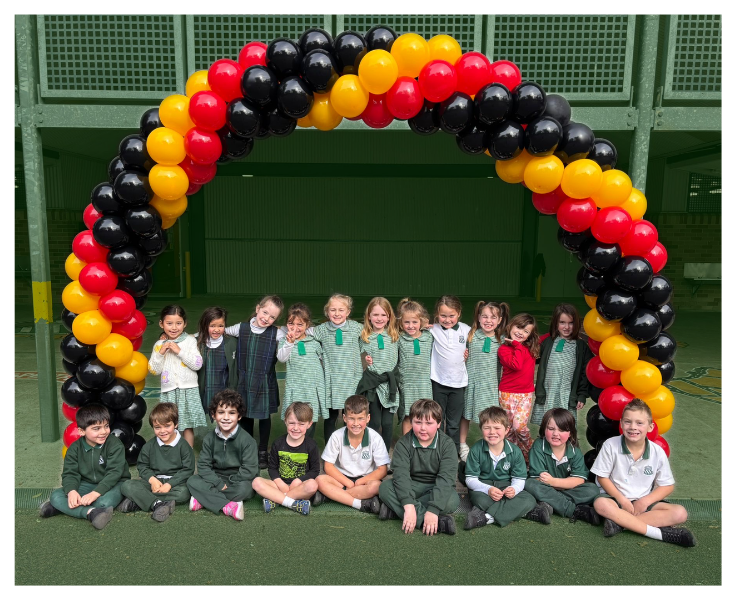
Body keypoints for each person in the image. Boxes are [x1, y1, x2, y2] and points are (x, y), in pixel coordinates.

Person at [591, 399, 696, 547]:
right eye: (628, 422)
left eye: (639, 423)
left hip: (642, 503)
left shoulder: (657, 451)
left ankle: (620, 524)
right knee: (601, 504)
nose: (633, 427)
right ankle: (660, 534)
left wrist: (644, 502)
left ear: (650, 426)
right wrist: (622, 500)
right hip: (615, 499)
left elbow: (667, 486)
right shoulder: (611, 445)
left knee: (680, 513)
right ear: (621, 423)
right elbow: (602, 477)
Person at [39, 403, 130, 530]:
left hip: (114, 483)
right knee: (56, 496)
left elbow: (114, 473)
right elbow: (70, 473)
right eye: (96, 428)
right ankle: (91, 513)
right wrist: (71, 491)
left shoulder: (115, 444)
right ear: (81, 431)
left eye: (106, 426)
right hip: (86, 484)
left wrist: (95, 493)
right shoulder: (74, 448)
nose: (104, 431)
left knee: (103, 502)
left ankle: (62, 508)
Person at [378, 399, 459, 536]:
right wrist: (409, 506)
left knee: (452, 500)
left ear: (439, 423)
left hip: (434, 486)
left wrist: (433, 509)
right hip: (411, 485)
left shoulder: (447, 444)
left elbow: (446, 479)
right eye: (418, 422)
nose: (423, 428)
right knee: (385, 488)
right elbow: (401, 476)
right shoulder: (403, 444)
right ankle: (433, 522)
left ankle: (394, 511)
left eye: (429, 423)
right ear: (411, 422)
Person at [225, 295, 285, 469]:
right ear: (258, 308)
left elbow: (297, 333)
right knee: (246, 416)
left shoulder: (277, 333)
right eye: (265, 312)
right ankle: (248, 450)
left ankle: (262, 451)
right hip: (245, 380)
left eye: (272, 317)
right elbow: (219, 331)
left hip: (265, 381)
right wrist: (190, 337)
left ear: (276, 320)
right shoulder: (241, 328)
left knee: (264, 417)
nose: (266, 318)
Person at [186, 389, 258, 521]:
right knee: (192, 481)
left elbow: (250, 469)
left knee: (246, 489)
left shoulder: (248, 441)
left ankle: (204, 499)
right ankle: (229, 506)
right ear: (213, 415)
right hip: (216, 478)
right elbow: (203, 466)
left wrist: (229, 483)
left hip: (238, 481)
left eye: (231, 413)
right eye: (221, 412)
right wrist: (218, 483)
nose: (226, 417)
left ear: (239, 416)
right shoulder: (209, 438)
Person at [462, 406, 537, 530]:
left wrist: (514, 489)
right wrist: (488, 489)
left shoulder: (515, 451)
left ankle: (485, 518)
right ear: (481, 429)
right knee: (478, 498)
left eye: (497, 428)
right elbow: (471, 480)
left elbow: (519, 479)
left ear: (507, 430)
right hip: (484, 487)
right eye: (487, 428)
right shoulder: (475, 450)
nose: (492, 432)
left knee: (528, 499)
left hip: (505, 486)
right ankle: (523, 512)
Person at [118, 402, 195, 522]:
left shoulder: (184, 446)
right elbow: (143, 466)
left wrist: (169, 484)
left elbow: (188, 470)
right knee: (126, 485)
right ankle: (159, 504)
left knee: (184, 493)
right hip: (154, 482)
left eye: (167, 426)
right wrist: (152, 480)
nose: (162, 431)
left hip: (175, 484)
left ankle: (140, 502)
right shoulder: (149, 446)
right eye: (157, 427)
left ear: (176, 424)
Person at [315, 395, 390, 513]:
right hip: (341, 479)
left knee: (378, 486)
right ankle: (360, 503)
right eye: (351, 418)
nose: (356, 423)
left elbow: (382, 470)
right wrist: (349, 483)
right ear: (344, 418)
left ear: (368, 418)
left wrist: (359, 482)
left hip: (365, 480)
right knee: (319, 480)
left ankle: (330, 496)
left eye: (360, 418)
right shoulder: (336, 436)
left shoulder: (375, 438)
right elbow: (328, 466)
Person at [524, 408, 600, 525]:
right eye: (551, 429)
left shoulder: (575, 451)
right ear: (544, 429)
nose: (556, 434)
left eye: (562, 430)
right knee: (530, 484)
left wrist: (554, 481)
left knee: (592, 489)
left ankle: (550, 504)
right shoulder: (539, 446)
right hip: (543, 488)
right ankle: (573, 510)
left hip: (562, 489)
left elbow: (579, 480)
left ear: (570, 433)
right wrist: (561, 483)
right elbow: (539, 478)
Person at [148, 305, 206, 448]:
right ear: (161, 324)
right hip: (169, 391)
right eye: (169, 323)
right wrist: (161, 352)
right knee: (168, 425)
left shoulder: (190, 341)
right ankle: (171, 455)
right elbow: (154, 370)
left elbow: (197, 364)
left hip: (188, 390)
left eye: (178, 323)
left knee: (187, 425)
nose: (174, 327)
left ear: (185, 324)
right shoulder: (159, 344)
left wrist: (179, 351)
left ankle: (188, 457)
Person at [459, 301, 509, 462]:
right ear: (478, 318)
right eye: (485, 316)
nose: (488, 320)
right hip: (472, 384)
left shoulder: (502, 340)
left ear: (500, 320)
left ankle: (489, 446)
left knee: (490, 418)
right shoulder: (471, 336)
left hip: (490, 386)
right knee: (465, 415)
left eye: (493, 317)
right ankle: (462, 445)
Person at [252, 402, 320, 516]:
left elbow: (315, 470)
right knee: (256, 482)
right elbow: (272, 468)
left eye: (301, 424)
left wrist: (299, 480)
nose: (296, 428)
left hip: (299, 487)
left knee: (312, 485)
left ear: (309, 424)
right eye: (292, 423)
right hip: (279, 485)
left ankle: (277, 500)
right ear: (285, 421)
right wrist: (280, 483)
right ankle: (294, 503)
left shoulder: (311, 445)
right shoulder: (278, 443)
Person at [313, 293, 363, 443]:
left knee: (352, 415)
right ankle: (331, 447)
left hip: (352, 379)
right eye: (333, 310)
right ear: (327, 312)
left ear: (348, 312)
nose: (337, 313)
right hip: (332, 381)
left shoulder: (356, 328)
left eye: (341, 310)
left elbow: (374, 335)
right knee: (331, 417)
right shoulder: (321, 330)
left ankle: (351, 445)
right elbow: (304, 332)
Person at [531, 303, 592, 426]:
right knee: (546, 425)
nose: (567, 327)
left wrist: (581, 395)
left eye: (571, 323)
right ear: (555, 323)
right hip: (548, 394)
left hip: (567, 395)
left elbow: (586, 373)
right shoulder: (547, 343)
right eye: (562, 322)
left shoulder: (581, 346)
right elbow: (530, 360)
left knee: (566, 426)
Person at [276, 303, 327, 438]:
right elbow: (281, 358)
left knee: (310, 423)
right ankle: (295, 448)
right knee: (295, 421)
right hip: (296, 389)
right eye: (291, 323)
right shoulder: (285, 341)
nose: (295, 328)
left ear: (307, 325)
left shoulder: (314, 342)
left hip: (312, 390)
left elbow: (325, 360)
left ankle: (307, 450)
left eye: (300, 324)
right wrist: (290, 343)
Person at [357, 297, 400, 453]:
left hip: (389, 386)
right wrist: (365, 359)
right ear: (369, 316)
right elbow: (358, 356)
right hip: (373, 387)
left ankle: (385, 455)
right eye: (375, 315)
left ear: (389, 317)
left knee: (387, 423)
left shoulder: (395, 335)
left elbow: (414, 328)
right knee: (374, 422)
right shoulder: (364, 336)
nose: (379, 318)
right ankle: (372, 452)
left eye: (383, 315)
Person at [430, 295, 471, 456]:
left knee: (454, 422)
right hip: (438, 382)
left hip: (459, 384)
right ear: (437, 315)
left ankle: (453, 452)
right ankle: (438, 449)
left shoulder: (466, 330)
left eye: (451, 315)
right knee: (438, 419)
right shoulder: (432, 329)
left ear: (459, 313)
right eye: (443, 316)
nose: (447, 320)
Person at [498, 312, 540, 463]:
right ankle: (515, 459)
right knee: (509, 429)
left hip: (525, 394)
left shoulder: (530, 348)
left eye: (526, 331)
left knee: (519, 427)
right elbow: (516, 364)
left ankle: (530, 453)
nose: (520, 333)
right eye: (518, 327)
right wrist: (516, 345)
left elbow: (550, 337)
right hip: (507, 393)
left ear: (530, 335)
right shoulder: (504, 349)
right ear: (510, 326)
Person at [395, 298, 433, 435]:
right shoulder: (399, 339)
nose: (411, 326)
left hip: (424, 383)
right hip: (407, 384)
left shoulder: (429, 337)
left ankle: (426, 441)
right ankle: (407, 445)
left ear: (421, 321)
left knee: (425, 414)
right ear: (401, 322)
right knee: (408, 415)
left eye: (415, 322)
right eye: (407, 322)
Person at [196, 306, 238, 421]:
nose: (216, 329)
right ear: (205, 325)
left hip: (223, 388)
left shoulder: (232, 342)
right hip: (206, 388)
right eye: (212, 326)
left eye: (221, 326)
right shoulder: (198, 343)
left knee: (224, 416)